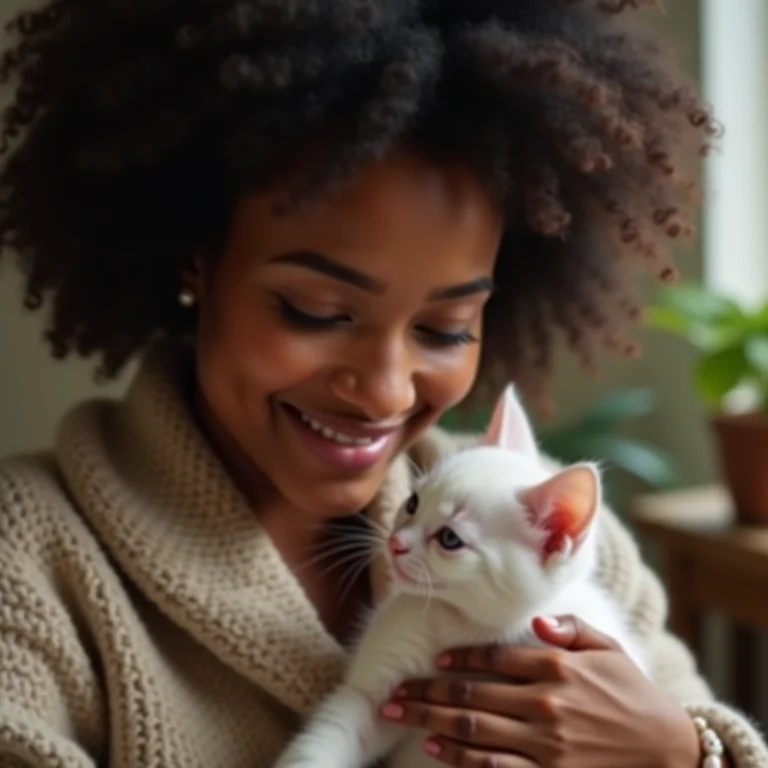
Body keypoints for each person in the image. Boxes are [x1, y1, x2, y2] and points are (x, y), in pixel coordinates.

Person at [0, 0, 764, 766]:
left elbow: (693, 725)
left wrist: (679, 749)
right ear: (196, 261)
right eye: (315, 310)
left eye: (445, 328)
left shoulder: (558, 539)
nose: (386, 392)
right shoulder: (28, 556)